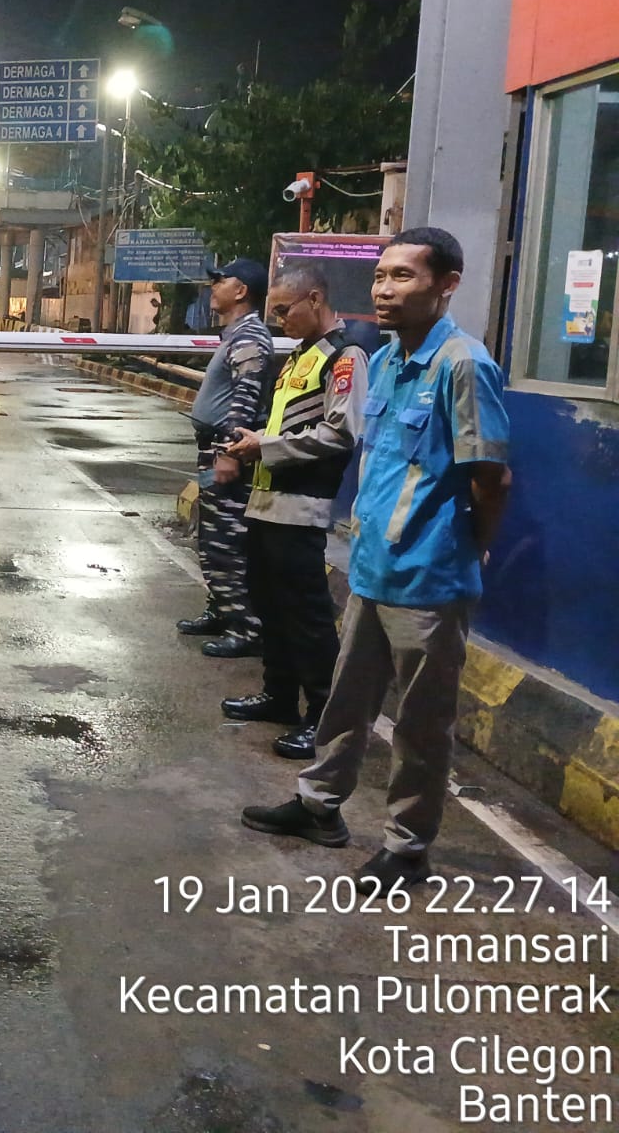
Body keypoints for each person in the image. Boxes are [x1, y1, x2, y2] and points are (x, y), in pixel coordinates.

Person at [241, 227, 511, 896]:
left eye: (404, 276)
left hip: (430, 577)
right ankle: (319, 805)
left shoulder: (463, 365)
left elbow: (491, 477)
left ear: (447, 284)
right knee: (347, 702)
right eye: (381, 275)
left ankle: (407, 847)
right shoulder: (387, 359)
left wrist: (471, 547)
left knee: (421, 724)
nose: (385, 289)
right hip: (371, 568)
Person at [222, 264, 369, 758]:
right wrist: (256, 441)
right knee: (270, 606)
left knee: (307, 618)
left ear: (315, 299)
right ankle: (279, 694)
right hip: (267, 501)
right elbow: (286, 423)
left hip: (301, 507)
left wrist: (265, 447)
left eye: (285, 310)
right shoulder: (299, 356)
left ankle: (322, 717)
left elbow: (340, 433)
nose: (279, 320)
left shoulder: (345, 358)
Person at [176, 257, 274, 656]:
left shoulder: (249, 336)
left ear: (242, 290)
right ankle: (221, 610)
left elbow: (245, 398)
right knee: (211, 538)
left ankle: (245, 628)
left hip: (225, 449)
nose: (212, 286)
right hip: (213, 448)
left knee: (227, 543)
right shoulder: (236, 334)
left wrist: (230, 453)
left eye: (220, 280)